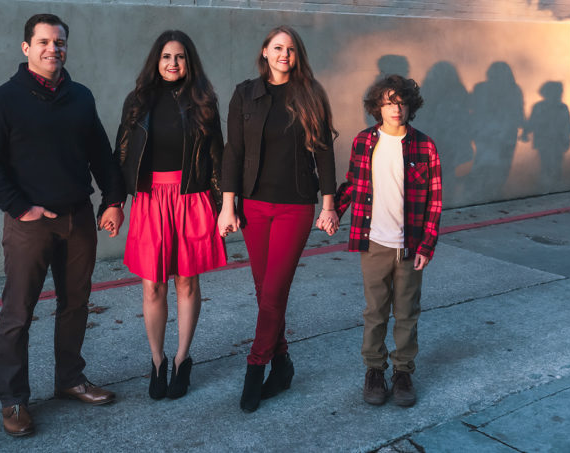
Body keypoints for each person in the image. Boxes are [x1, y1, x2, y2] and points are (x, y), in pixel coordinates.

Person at [0, 14, 126, 436]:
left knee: (76, 303)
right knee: (18, 312)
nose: (52, 49)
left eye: (59, 42)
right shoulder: (2, 101)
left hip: (78, 218)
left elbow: (101, 154)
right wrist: (22, 209)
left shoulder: (80, 97)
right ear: (26, 48)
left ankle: (70, 379)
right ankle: (13, 400)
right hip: (30, 224)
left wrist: (113, 201)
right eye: (43, 42)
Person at [218, 25, 338, 413]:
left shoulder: (311, 93)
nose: (284, 54)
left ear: (297, 55)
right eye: (277, 47)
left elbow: (324, 153)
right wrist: (227, 205)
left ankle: (256, 367)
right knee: (265, 291)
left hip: (295, 206)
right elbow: (233, 152)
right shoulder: (245, 94)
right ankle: (282, 363)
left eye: (291, 49)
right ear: (265, 52)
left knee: (272, 292)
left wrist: (329, 205)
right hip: (253, 205)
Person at [115, 30, 226, 400]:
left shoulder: (203, 101)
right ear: (156, 60)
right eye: (166, 56)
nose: (173, 63)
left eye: (179, 56)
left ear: (188, 61)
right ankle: (157, 360)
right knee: (152, 285)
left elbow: (217, 156)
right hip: (150, 200)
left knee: (187, 282)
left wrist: (225, 206)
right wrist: (113, 202)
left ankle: (181, 359)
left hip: (191, 197)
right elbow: (122, 152)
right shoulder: (138, 100)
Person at [335, 74, 442, 407]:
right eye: (388, 102)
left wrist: (427, 244)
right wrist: (333, 210)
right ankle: (374, 371)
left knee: (407, 313)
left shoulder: (424, 146)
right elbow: (353, 183)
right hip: (374, 243)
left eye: (401, 102)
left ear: (411, 106)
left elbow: (435, 200)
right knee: (375, 312)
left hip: (410, 246)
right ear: (377, 107)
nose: (396, 109)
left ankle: (403, 372)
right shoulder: (364, 142)